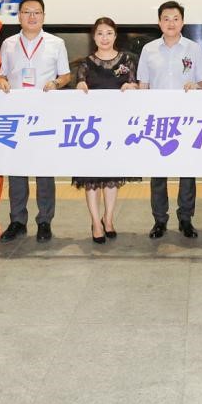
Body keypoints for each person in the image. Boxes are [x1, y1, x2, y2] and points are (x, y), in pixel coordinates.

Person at [0, 0, 71, 243]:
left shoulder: (56, 43)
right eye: (27, 12)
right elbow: (0, 74)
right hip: (16, 115)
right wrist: (1, 81)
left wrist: (56, 83)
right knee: (16, 170)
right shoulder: (8, 43)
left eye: (37, 12)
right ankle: (17, 220)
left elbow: (66, 75)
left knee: (44, 169)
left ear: (43, 16)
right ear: (19, 16)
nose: (32, 16)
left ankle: (45, 221)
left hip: (44, 115)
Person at [138, 1, 202, 239]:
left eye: (176, 18)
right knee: (158, 173)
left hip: (186, 119)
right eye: (166, 19)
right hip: (157, 120)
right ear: (159, 22)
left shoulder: (194, 49)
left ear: (183, 22)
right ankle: (159, 220)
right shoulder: (149, 49)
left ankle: (185, 219)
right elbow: (143, 85)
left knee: (187, 171)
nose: (171, 23)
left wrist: (196, 87)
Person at [72, 17, 139, 243]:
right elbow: (80, 84)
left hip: (116, 128)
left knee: (112, 176)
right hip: (90, 131)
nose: (104, 37)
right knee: (91, 178)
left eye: (109, 33)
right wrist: (80, 85)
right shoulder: (86, 64)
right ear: (94, 37)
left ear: (115, 35)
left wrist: (132, 86)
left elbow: (134, 83)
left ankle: (108, 219)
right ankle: (95, 222)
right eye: (100, 33)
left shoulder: (126, 60)